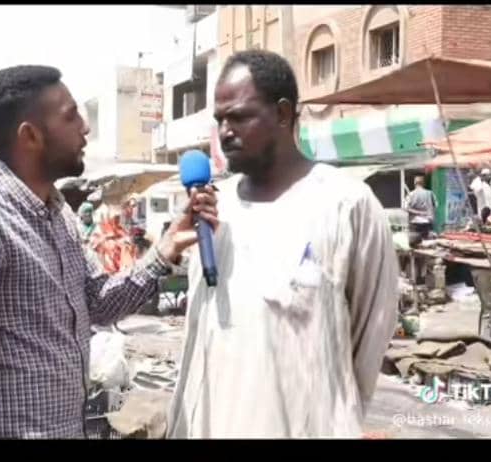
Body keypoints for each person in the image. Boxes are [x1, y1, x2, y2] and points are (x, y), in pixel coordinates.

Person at [0, 65, 218, 439]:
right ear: (30, 135)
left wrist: (165, 250)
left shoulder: (60, 215)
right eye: (70, 116)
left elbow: (98, 303)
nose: (85, 127)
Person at [167, 50, 398, 438]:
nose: (225, 132)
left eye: (239, 116)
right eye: (220, 120)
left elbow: (372, 330)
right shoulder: (212, 210)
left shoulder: (346, 204)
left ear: (283, 113)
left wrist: (327, 410)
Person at [404, 175, 438, 240]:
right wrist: (429, 214)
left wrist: (418, 212)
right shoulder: (430, 193)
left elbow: (405, 208)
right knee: (427, 241)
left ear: (415, 183)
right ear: (423, 183)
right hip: (427, 222)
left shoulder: (411, 194)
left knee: (415, 242)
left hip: (415, 222)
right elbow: (435, 206)